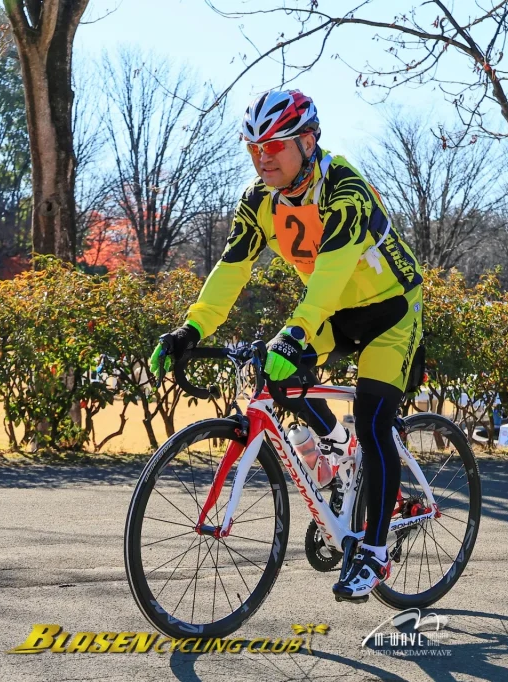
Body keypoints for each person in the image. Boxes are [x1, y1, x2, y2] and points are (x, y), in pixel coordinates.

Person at [149, 89, 423, 602]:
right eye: (253, 147)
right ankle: (334, 447)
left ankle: (375, 552)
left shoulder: (344, 188)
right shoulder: (258, 201)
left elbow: (330, 275)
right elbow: (230, 271)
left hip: (390, 312)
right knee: (276, 374)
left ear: (308, 141)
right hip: (334, 312)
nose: (262, 157)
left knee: (372, 420)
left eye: (274, 145)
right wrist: (192, 329)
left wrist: (294, 332)